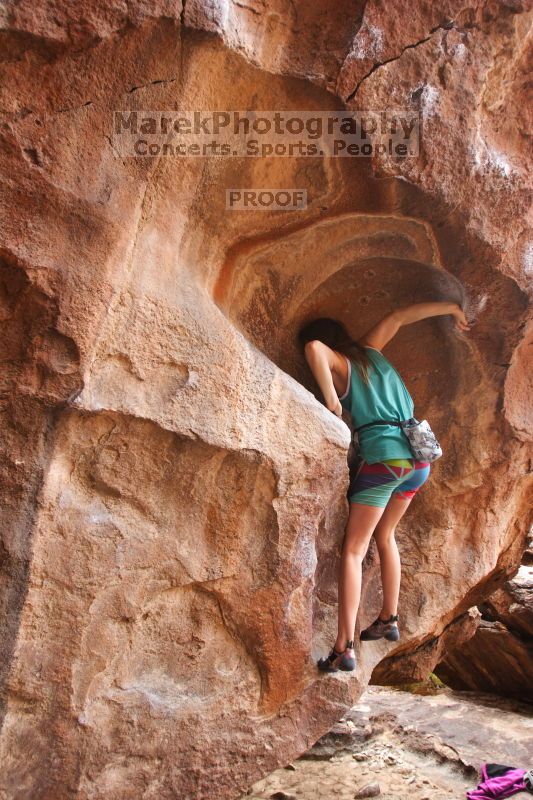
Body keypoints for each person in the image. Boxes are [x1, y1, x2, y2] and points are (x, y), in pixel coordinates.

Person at [298, 301, 471, 672]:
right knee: (385, 534)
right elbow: (397, 316)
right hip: (419, 459)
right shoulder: (371, 353)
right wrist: (451, 308)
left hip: (386, 458)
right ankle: (389, 618)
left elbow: (314, 349)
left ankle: (344, 647)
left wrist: (332, 403)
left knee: (352, 552)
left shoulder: (340, 363)